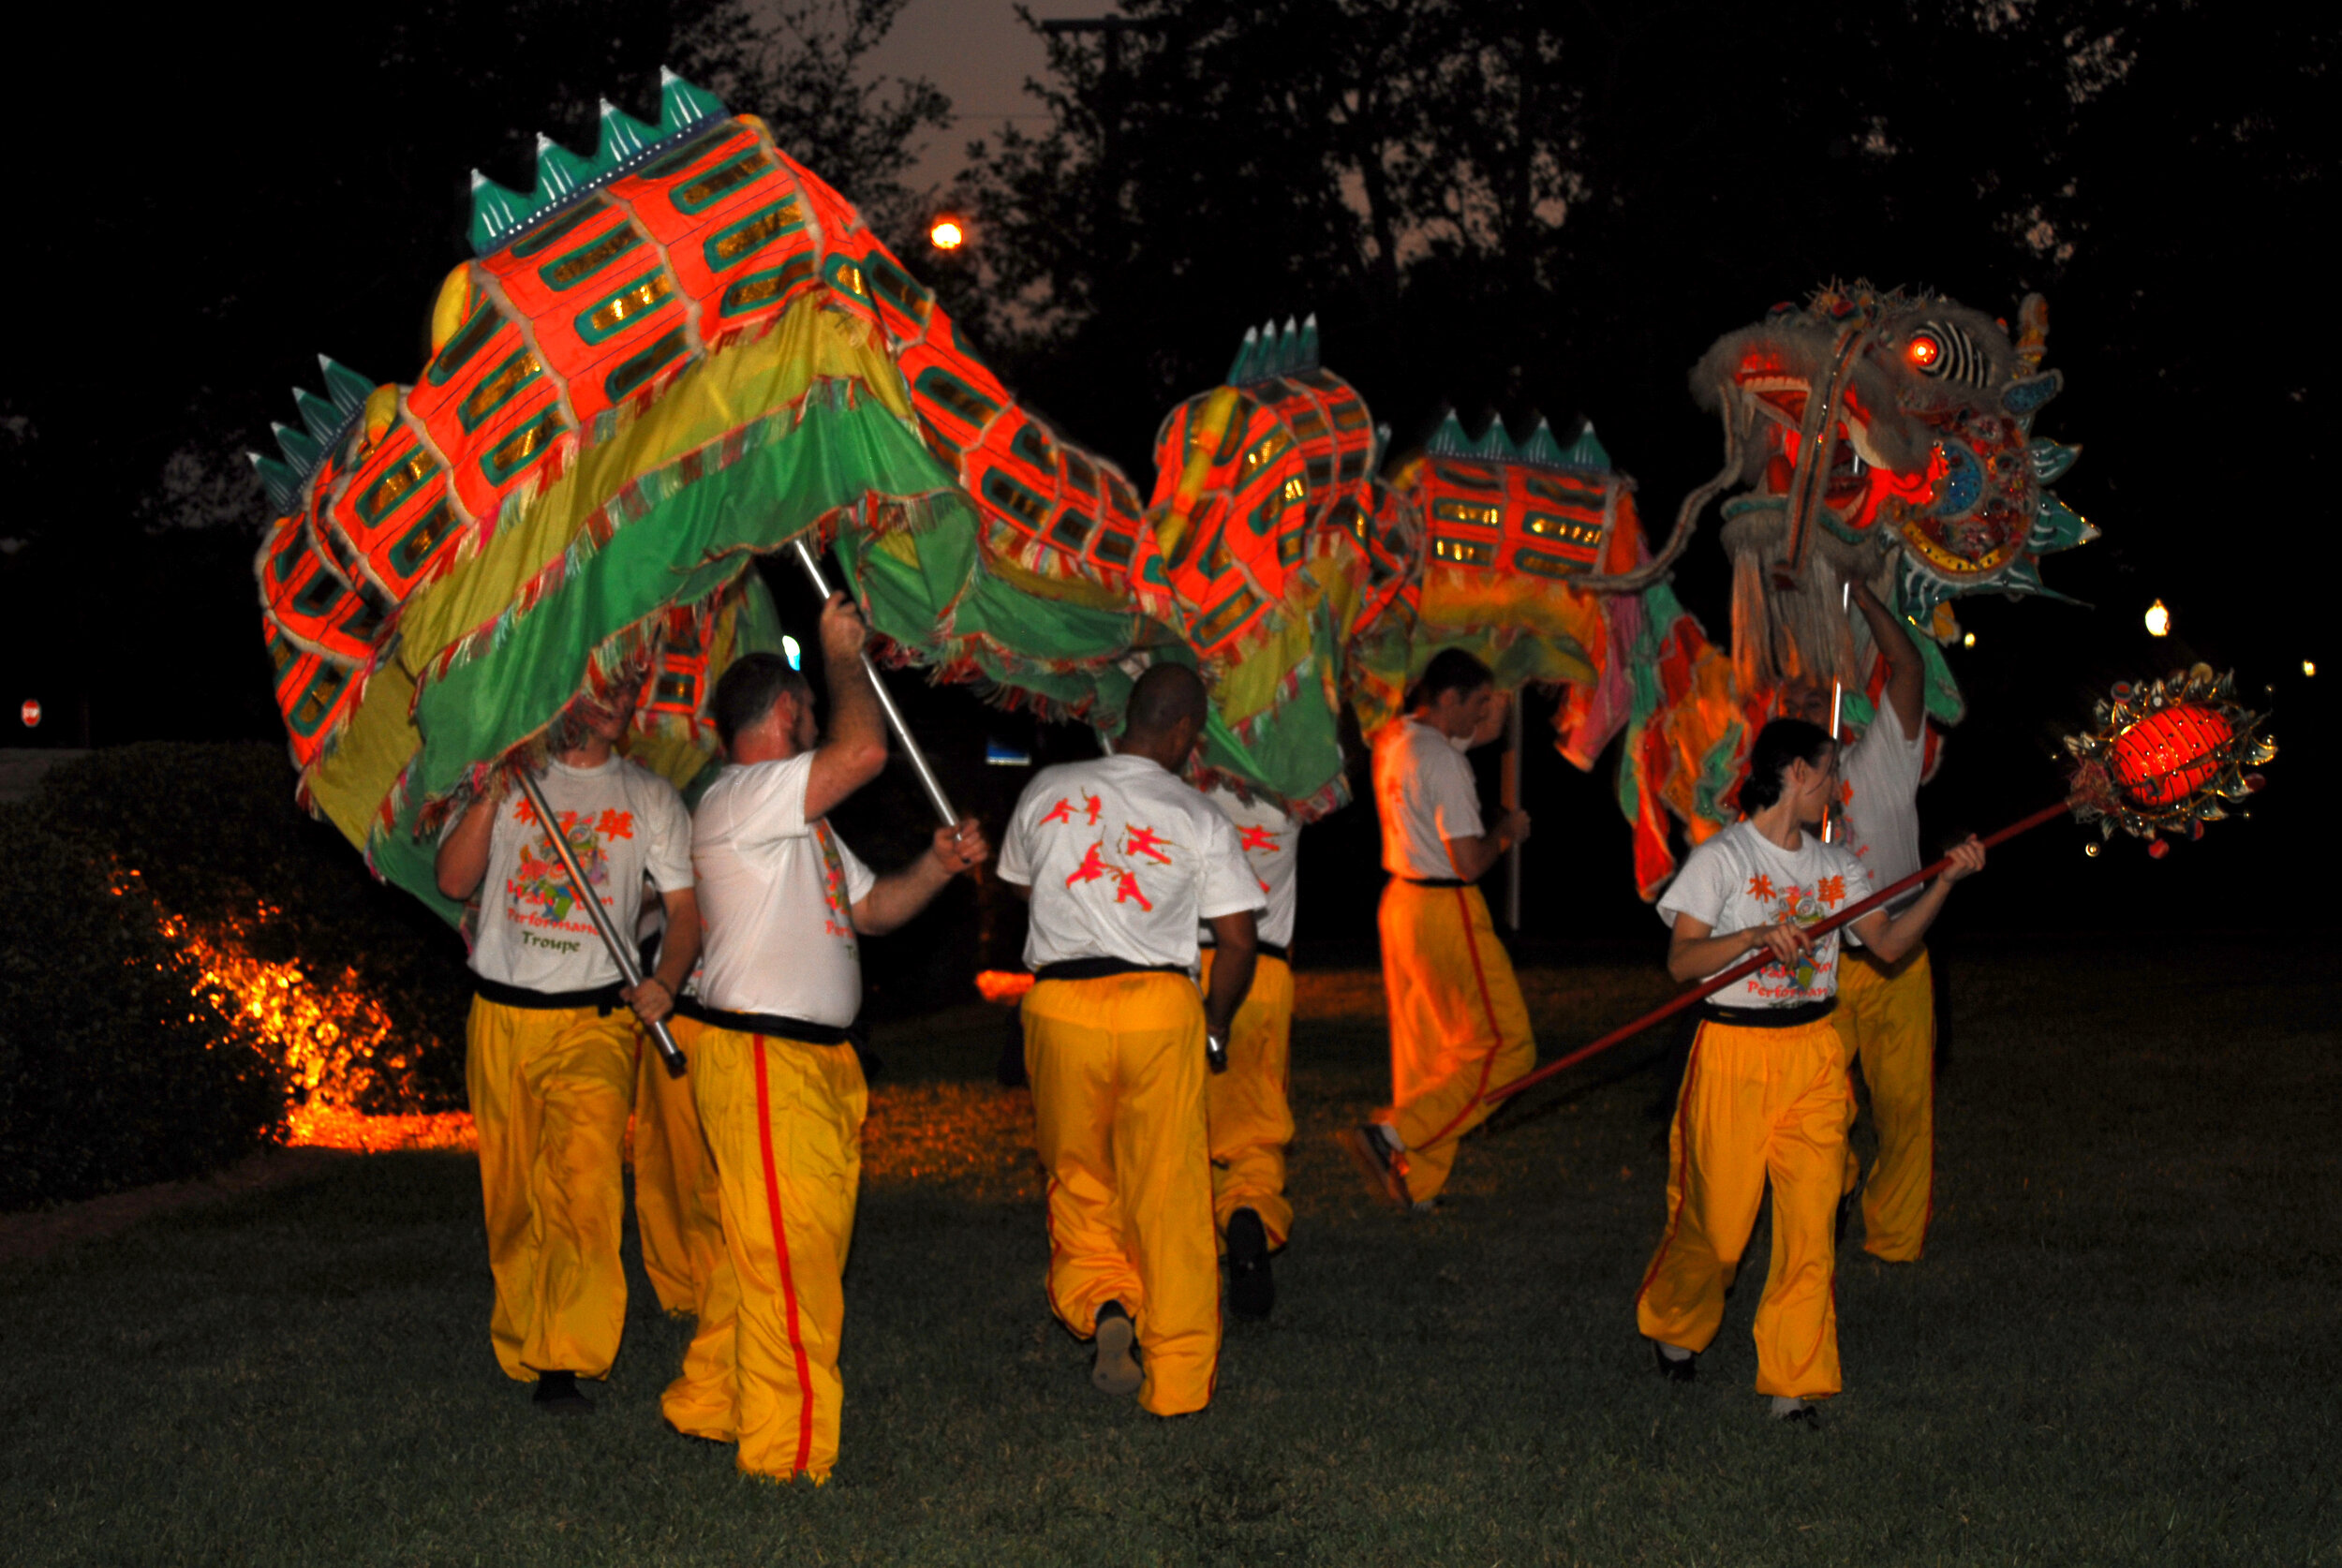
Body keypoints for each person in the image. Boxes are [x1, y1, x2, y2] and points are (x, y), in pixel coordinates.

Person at [660, 596, 986, 1485]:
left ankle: (712, 1401)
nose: (818, 724)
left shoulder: (793, 818)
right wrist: (845, 657)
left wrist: (935, 864)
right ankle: (789, 1461)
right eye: (810, 710)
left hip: (812, 1064)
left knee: (761, 1249)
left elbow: (872, 910)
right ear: (784, 713)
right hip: (768, 1057)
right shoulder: (741, 796)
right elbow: (867, 751)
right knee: (792, 1261)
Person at [1638, 717, 1985, 1424]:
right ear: (1795, 773)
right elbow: (1682, 965)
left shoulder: (1837, 868)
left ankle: (1793, 1383)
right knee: (1721, 1226)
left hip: (1815, 1056)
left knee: (1810, 1222)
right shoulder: (1722, 860)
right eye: (1829, 772)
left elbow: (1887, 947)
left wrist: (1943, 886)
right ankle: (1676, 1323)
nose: (1838, 785)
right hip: (1733, 1053)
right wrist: (1753, 937)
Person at [998, 662, 1264, 1416]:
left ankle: (1105, 1296)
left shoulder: (1047, 789)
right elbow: (1239, 940)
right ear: (1182, 730)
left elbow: (1021, 882)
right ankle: (1177, 1381)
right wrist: (1215, 1024)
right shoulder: (1198, 814)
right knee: (1171, 1192)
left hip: (1062, 1007)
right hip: (1157, 1006)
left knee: (1079, 1174)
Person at [433, 680, 700, 1414]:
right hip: (502, 1015)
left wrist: (667, 980)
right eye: (602, 683)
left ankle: (566, 1360)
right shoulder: (510, 781)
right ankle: (525, 1340)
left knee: (585, 1188)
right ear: (566, 689)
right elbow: (454, 879)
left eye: (629, 684)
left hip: (596, 1023)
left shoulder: (649, 796)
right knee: (515, 1199)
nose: (619, 696)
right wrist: (493, 788)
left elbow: (684, 913)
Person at [1337, 649, 1534, 1210]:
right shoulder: (1446, 763)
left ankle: (1415, 1180)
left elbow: (1457, 744)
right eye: (1476, 703)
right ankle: (1395, 1133)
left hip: (1401, 904)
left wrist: (1490, 714)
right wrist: (1506, 832)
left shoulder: (1395, 739)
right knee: (1508, 1046)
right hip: (1447, 908)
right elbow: (1469, 860)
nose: (1483, 716)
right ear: (1448, 699)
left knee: (1428, 1053)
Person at [1831, 580, 1941, 1263]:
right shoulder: (1779, 797)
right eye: (1795, 704)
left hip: (1896, 955)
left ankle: (1893, 1240)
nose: (1809, 708)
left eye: (1820, 698)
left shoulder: (1881, 759)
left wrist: (1865, 599)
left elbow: (1910, 670)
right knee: (1815, 1101)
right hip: (1825, 966)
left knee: (1901, 1110)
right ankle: (1831, 1183)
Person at [1199, 781, 1299, 1319]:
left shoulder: (1182, 783)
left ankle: (1196, 1237)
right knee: (1254, 1121)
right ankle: (1250, 1211)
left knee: (1190, 1118)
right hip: (1261, 966)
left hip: (1187, 963)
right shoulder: (1294, 792)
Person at [630, 888, 724, 1323]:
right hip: (678, 1010)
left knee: (722, 1165)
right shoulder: (664, 827)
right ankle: (683, 1291)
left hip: (740, 1010)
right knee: (670, 1160)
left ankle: (723, 1283)